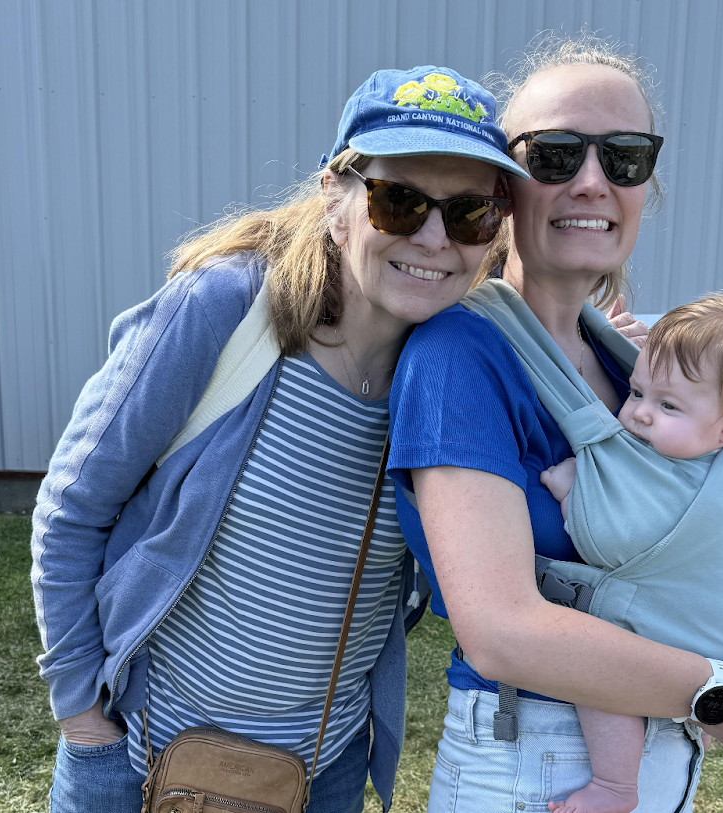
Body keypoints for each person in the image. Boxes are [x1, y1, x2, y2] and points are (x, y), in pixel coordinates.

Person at [30, 66, 528, 813]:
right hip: (141, 762)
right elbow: (72, 507)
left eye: (468, 215)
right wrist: (83, 720)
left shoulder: (452, 369)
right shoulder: (226, 310)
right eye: (400, 202)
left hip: (322, 773)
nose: (434, 238)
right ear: (336, 195)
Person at [386, 36, 723, 812]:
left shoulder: (631, 367)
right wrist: (722, 685)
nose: (592, 180)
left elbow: (678, 538)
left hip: (656, 756)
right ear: (507, 184)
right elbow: (502, 631)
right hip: (539, 765)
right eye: (555, 155)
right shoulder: (458, 356)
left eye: (624, 157)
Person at [534, 291, 723, 813]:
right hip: (721, 639)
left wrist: (571, 486)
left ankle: (616, 786)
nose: (639, 414)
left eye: (667, 405)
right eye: (636, 390)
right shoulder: (705, 449)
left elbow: (609, 531)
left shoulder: (687, 474)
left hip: (695, 637)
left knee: (599, 666)